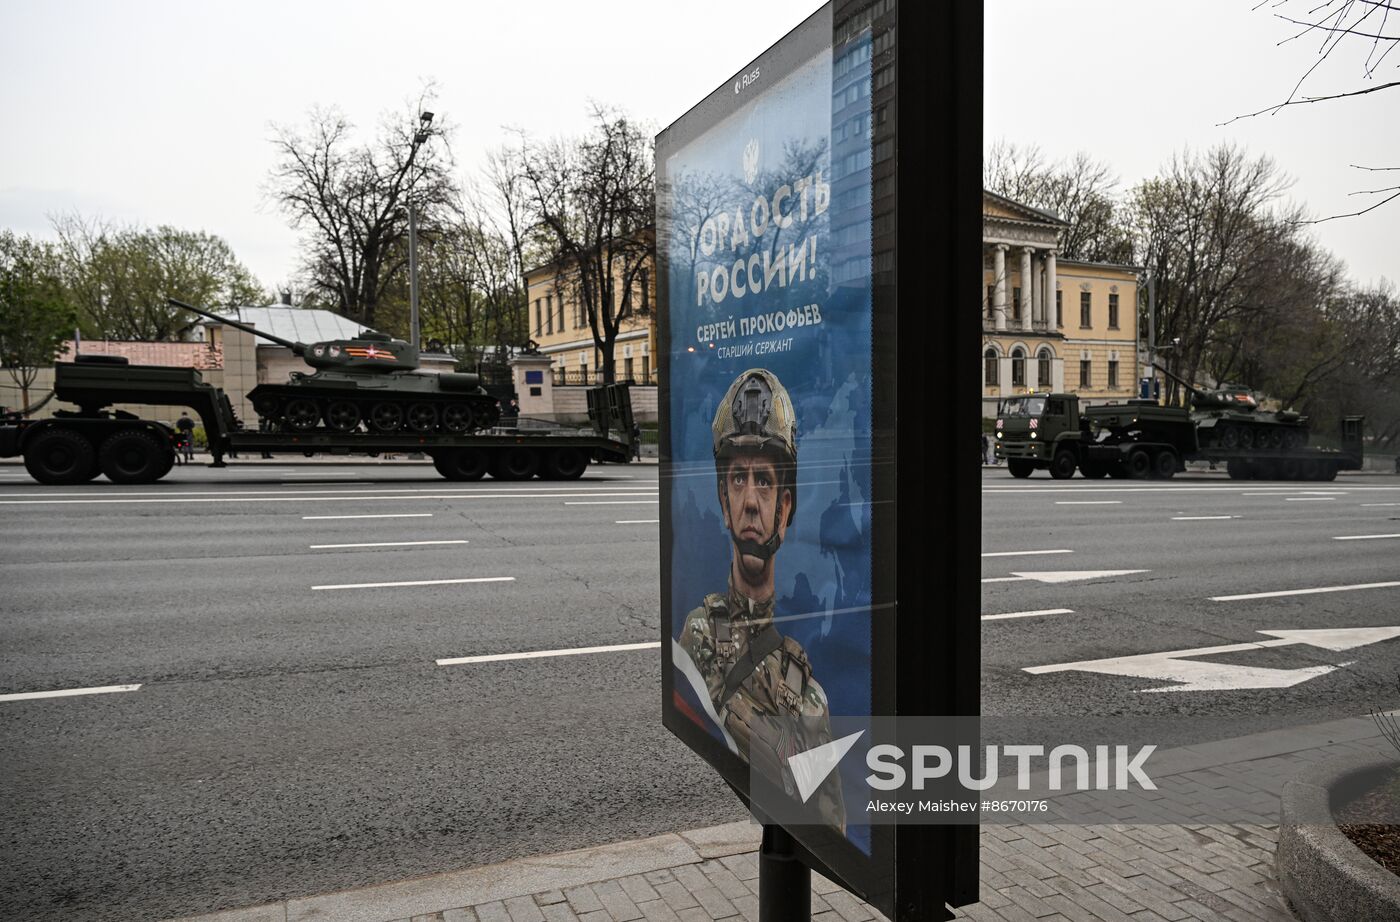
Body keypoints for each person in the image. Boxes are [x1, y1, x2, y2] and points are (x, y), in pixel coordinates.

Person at [675, 368, 846, 831]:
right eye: (738, 480)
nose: (751, 500)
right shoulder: (694, 637)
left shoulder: (808, 697)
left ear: (785, 509)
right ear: (722, 497)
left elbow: (828, 829)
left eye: (765, 482)